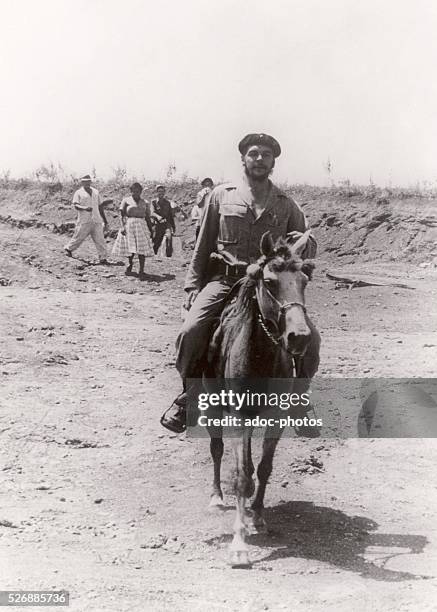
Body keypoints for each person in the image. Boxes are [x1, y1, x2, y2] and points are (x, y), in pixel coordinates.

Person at [160, 133, 320, 435]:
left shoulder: (286, 205)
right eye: (253, 153)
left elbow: (304, 241)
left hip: (268, 287)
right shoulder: (221, 196)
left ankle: (299, 399)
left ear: (273, 162)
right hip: (225, 280)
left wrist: (305, 244)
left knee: (309, 337)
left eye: (266, 155)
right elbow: (202, 243)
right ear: (243, 159)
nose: (259, 159)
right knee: (191, 331)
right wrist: (192, 286)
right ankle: (188, 396)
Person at [112, 182, 154, 280]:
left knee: (141, 248)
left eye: (138, 191)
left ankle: (141, 270)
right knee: (131, 247)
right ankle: (129, 265)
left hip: (141, 225)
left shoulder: (145, 202)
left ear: (141, 191)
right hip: (130, 224)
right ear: (131, 191)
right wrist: (122, 227)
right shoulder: (126, 200)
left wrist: (151, 229)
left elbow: (147, 217)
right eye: (134, 191)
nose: (136, 193)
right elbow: (121, 215)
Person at [64, 174, 109, 263]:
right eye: (85, 181)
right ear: (82, 182)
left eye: (88, 181)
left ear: (90, 182)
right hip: (84, 220)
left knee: (100, 239)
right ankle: (68, 249)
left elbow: (100, 206)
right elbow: (75, 205)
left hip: (96, 219)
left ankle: (103, 257)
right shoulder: (78, 192)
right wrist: (84, 208)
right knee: (79, 236)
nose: (87, 183)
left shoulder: (96, 192)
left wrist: (105, 220)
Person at [151, 185, 176, 255]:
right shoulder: (153, 202)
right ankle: (154, 256)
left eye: (162, 191)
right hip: (157, 225)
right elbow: (152, 213)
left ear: (164, 192)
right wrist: (158, 217)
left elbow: (170, 216)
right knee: (156, 243)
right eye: (159, 191)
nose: (161, 193)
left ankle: (169, 256)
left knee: (169, 238)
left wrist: (173, 227)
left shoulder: (167, 203)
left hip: (166, 224)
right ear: (156, 193)